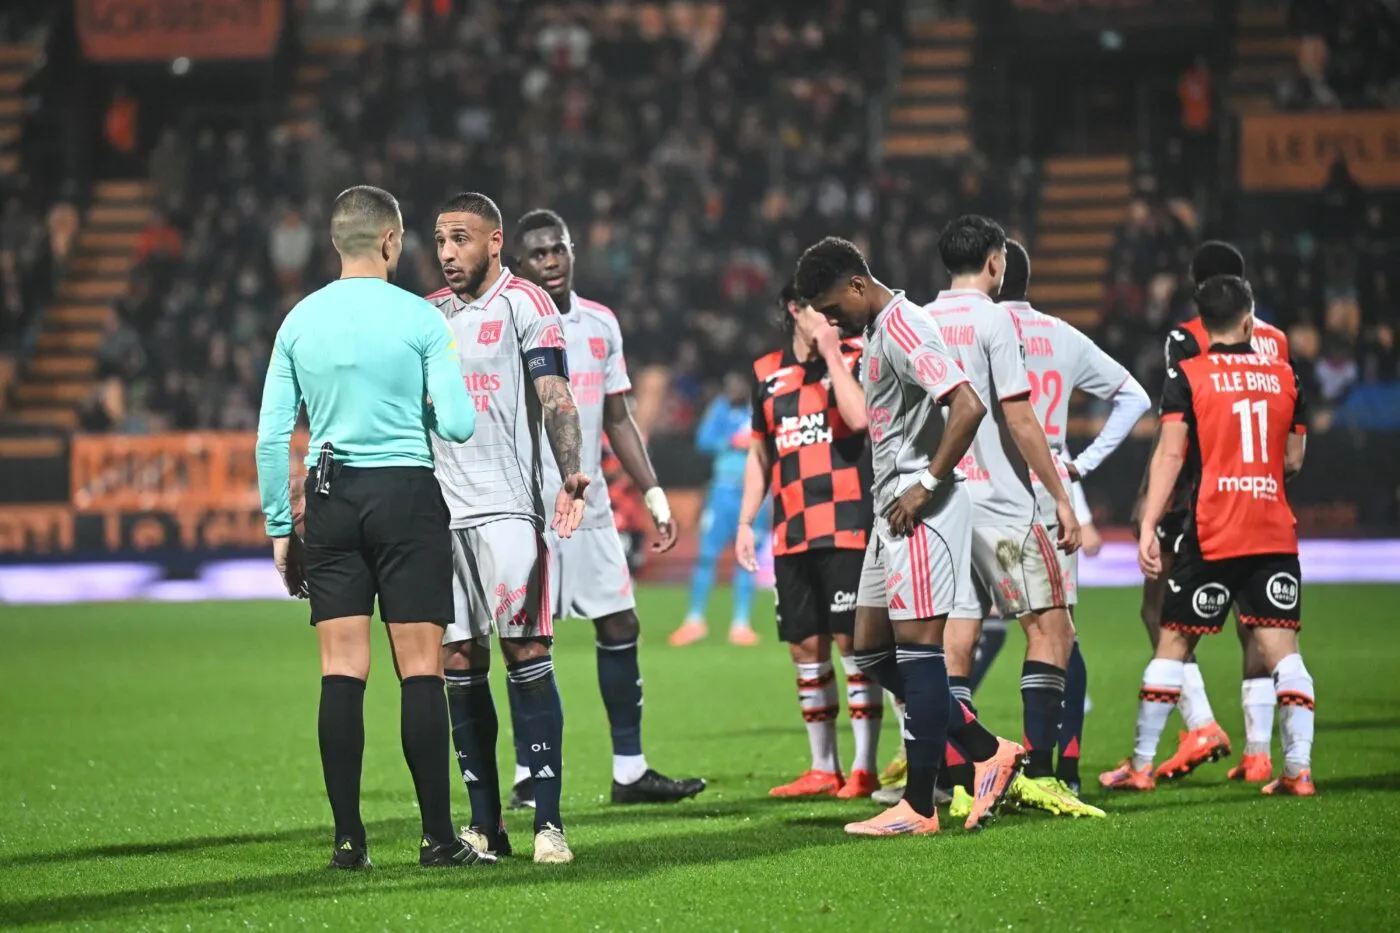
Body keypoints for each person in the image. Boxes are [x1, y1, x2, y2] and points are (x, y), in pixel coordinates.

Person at [254, 185, 492, 870]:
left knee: (341, 669)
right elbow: (457, 422)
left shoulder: (299, 320)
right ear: (392, 241)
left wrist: (281, 525)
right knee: (420, 668)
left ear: (335, 243)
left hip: (331, 496)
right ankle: (437, 839)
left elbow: (272, 437)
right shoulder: (421, 320)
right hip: (406, 493)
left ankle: (349, 841)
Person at [794, 236, 1024, 837]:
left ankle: (920, 806)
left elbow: (968, 405)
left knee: (920, 653)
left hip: (921, 512)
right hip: (890, 512)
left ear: (856, 285)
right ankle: (984, 748)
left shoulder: (902, 327)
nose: (831, 320)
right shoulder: (876, 331)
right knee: (869, 648)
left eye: (832, 307)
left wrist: (925, 483)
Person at [509, 208, 706, 808]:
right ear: (519, 265)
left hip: (589, 507)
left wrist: (652, 494)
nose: (550, 261)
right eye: (538, 254)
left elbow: (618, 417)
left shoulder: (600, 324)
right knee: (526, 640)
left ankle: (629, 771)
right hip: (526, 510)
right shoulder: (506, 324)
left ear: (572, 252)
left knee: (621, 623)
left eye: (558, 249)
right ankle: (527, 775)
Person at [1104, 275, 1315, 797]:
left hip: (1212, 529)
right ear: (1250, 320)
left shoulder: (1190, 375)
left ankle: (1141, 765)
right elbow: (1292, 459)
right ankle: (1298, 771)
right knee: (1283, 653)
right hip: (1271, 527)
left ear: (1201, 324)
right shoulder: (1285, 374)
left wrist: (1150, 524)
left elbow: (1171, 454)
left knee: (1172, 644)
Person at [426, 192, 588, 865]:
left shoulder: (526, 303)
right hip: (445, 519)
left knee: (526, 655)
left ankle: (547, 823)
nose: (447, 253)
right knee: (459, 664)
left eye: (460, 238)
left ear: (494, 242)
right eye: (439, 240)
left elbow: (554, 394)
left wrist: (572, 471)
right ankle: (485, 825)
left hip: (508, 511)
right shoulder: (430, 316)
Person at [920, 216, 1095, 819]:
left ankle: (961, 779)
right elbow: (1019, 417)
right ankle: (1038, 775)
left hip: (940, 505)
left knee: (953, 642)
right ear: (996, 262)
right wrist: (1061, 498)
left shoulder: (915, 318)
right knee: (1052, 629)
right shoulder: (996, 318)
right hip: (1000, 508)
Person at [996, 239, 1150, 797]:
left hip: (989, 498)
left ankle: (964, 773)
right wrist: (1078, 467)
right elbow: (1133, 397)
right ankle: (1065, 767)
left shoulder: (974, 332)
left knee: (965, 633)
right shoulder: (1060, 335)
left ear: (991, 273)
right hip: (1046, 500)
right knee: (1061, 634)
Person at [1135, 241, 1291, 785]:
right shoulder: (1276, 340)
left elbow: (1177, 427)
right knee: (1262, 622)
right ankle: (1259, 754)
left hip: (1202, 496)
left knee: (1162, 616)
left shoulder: (1188, 337)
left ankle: (1198, 725)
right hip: (1266, 495)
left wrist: (1151, 506)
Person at [736, 282, 880, 800]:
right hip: (792, 532)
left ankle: (865, 767)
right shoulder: (764, 374)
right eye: (819, 307)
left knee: (852, 644)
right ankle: (824, 766)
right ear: (795, 310)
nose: (832, 316)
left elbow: (860, 419)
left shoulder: (856, 358)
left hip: (848, 524)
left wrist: (829, 354)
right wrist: (744, 521)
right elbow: (760, 455)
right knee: (805, 647)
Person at [671, 372, 770, 646]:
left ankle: (741, 624)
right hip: (723, 492)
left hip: (753, 493)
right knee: (706, 555)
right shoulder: (720, 409)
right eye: (729, 386)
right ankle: (694, 620)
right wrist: (730, 441)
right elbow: (702, 441)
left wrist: (757, 442)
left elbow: (776, 442)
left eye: (737, 385)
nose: (733, 390)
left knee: (747, 558)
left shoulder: (762, 409)